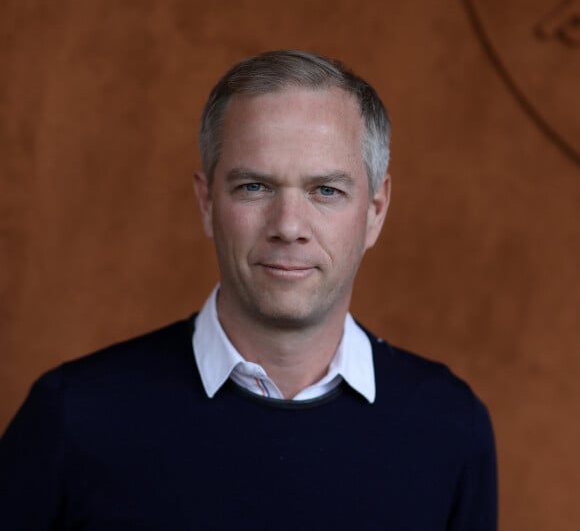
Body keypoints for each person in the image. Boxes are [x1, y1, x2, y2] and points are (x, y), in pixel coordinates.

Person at [0, 50, 497, 530]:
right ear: (206, 203)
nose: (288, 226)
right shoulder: (75, 417)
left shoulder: (450, 427)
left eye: (326, 190)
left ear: (375, 210)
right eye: (254, 187)